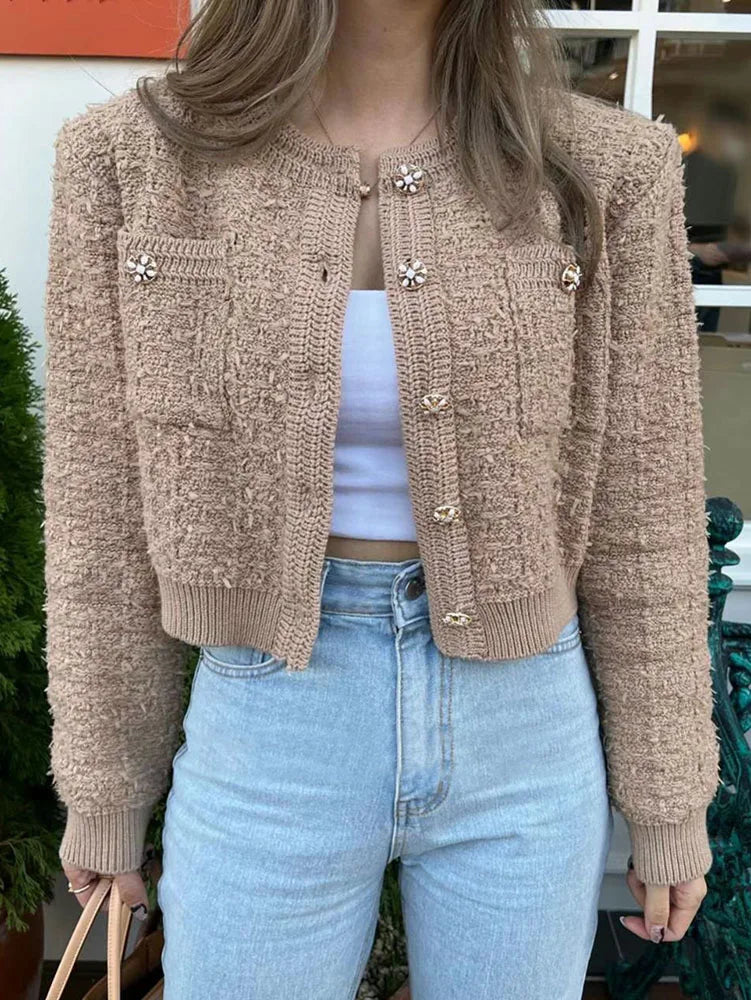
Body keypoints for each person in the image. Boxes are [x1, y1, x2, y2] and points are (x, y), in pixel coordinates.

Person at [42, 0, 720, 997]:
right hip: (270, 720)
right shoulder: (134, 160)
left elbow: (645, 505)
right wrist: (106, 789)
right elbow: (97, 501)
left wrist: (667, 801)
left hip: (522, 732)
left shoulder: (601, 169)